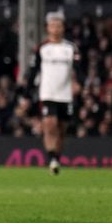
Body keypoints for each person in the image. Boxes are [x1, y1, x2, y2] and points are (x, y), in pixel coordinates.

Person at [25, 12, 81, 175]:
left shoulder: (70, 48)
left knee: (62, 129)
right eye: (53, 26)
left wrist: (77, 83)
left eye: (58, 26)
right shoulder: (42, 49)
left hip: (65, 94)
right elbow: (33, 72)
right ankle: (52, 159)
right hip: (47, 93)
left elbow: (78, 70)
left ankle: (57, 156)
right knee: (50, 124)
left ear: (63, 28)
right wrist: (27, 94)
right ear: (47, 28)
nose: (56, 29)